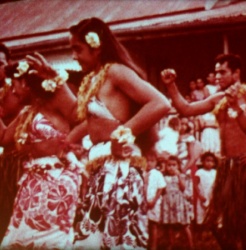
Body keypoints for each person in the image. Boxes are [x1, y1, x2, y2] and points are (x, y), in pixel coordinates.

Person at [27, 17, 171, 249]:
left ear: (97, 47)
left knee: (120, 241)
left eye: (78, 49)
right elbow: (78, 115)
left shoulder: (116, 72)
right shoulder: (91, 80)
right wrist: (55, 78)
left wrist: (122, 134)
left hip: (120, 166)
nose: (74, 56)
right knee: (91, 242)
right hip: (100, 166)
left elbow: (160, 103)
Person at [161, 53, 246, 250]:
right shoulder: (218, 98)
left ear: (236, 73)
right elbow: (185, 109)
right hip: (227, 167)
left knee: (245, 226)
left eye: (222, 72)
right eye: (216, 72)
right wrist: (171, 86)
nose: (217, 76)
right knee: (216, 223)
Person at [0, 61, 84, 249]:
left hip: (58, 178)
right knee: (21, 239)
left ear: (26, 83)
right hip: (32, 182)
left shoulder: (54, 102)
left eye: (14, 86)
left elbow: (84, 117)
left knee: (50, 239)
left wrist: (69, 141)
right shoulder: (27, 112)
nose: (12, 92)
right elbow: (4, 138)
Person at [160, 155, 194, 250]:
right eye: (169, 165)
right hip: (168, 202)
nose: (171, 167)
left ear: (178, 166)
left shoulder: (181, 176)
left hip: (178, 201)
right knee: (170, 224)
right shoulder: (165, 177)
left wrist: (179, 176)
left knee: (184, 224)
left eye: (174, 165)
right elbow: (162, 190)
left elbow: (183, 188)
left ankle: (191, 245)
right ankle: (172, 244)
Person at [144, 150, 166, 250]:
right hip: (144, 202)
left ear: (156, 162)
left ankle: (154, 246)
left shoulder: (157, 174)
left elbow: (160, 188)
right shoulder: (143, 173)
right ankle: (144, 244)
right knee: (144, 224)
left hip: (154, 203)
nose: (149, 163)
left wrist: (153, 201)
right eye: (147, 161)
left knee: (153, 225)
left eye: (152, 161)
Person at [194, 152, 217, 225]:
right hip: (203, 196)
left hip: (212, 196)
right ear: (203, 161)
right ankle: (202, 231)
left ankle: (210, 231)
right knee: (202, 214)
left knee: (212, 214)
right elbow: (195, 184)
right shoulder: (199, 172)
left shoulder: (215, 172)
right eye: (207, 161)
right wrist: (200, 196)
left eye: (211, 161)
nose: (209, 163)